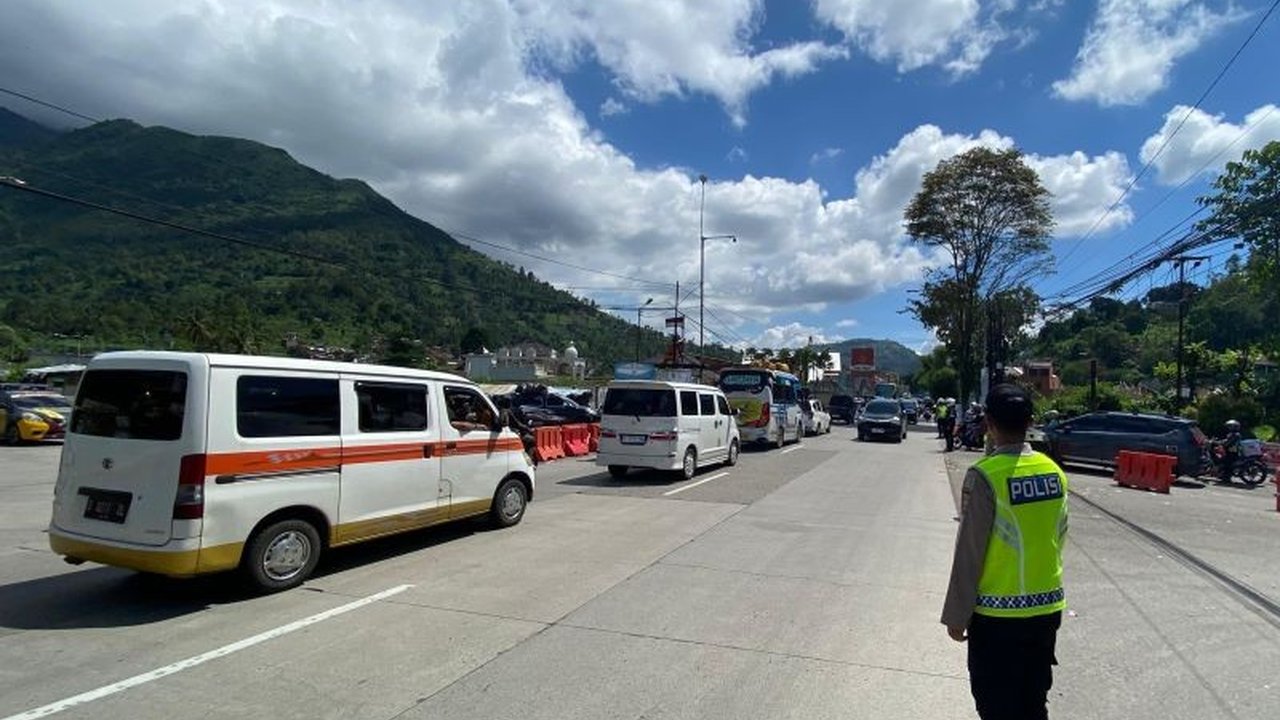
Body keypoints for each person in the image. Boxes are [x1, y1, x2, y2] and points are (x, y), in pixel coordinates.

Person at [942, 383, 1069, 720]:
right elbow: (1059, 533)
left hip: (998, 617)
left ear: (989, 422)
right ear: (1029, 421)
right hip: (1046, 609)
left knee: (996, 705)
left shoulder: (985, 476)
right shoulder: (1054, 472)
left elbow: (970, 553)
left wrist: (956, 616)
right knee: (1033, 700)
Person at [1217, 419, 1243, 483]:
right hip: (1233, 451)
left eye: (1230, 426)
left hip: (1232, 452)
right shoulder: (1234, 434)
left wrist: (1221, 443)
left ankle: (1226, 477)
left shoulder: (1235, 435)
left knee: (1226, 463)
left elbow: (1228, 443)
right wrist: (1220, 442)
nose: (1228, 428)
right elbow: (1226, 440)